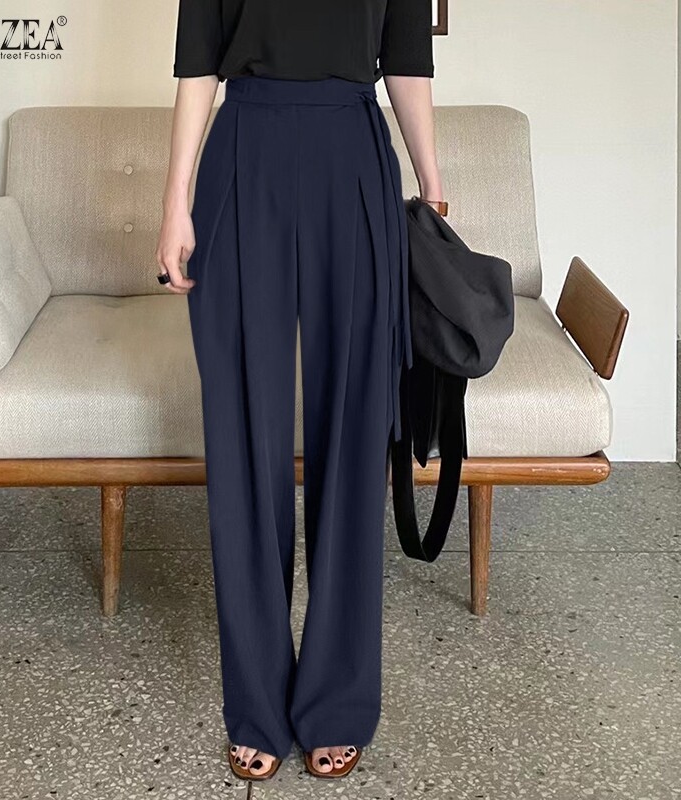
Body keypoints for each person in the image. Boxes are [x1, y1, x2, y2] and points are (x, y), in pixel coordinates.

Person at [156, 0, 444, 782]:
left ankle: (337, 701)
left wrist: (432, 188)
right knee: (242, 432)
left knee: (353, 435)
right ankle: (256, 704)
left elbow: (406, 64)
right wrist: (175, 202)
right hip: (243, 154)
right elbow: (198, 69)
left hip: (353, 159)